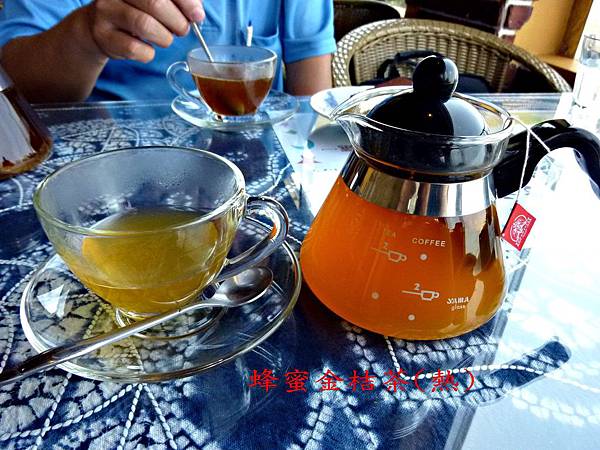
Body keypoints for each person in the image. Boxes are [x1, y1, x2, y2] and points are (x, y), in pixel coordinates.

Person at [0, 0, 335, 102]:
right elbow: (16, 86)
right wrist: (85, 34)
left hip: (251, 169)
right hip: (109, 174)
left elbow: (313, 101)